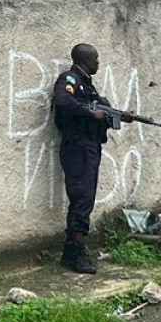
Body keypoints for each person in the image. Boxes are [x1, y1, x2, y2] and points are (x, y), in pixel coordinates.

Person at [49, 43, 116, 274]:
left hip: (89, 147)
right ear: (85, 60)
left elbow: (98, 110)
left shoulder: (88, 85)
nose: (98, 63)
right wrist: (91, 113)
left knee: (85, 198)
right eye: (95, 59)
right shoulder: (70, 80)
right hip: (77, 148)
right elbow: (63, 101)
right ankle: (73, 253)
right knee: (82, 198)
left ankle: (75, 250)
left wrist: (114, 116)